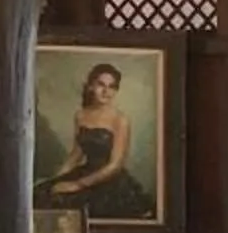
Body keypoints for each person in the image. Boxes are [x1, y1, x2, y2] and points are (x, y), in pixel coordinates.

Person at [39, 62, 150, 221]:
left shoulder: (120, 119)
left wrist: (78, 185)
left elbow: (115, 165)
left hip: (110, 181)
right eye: (101, 85)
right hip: (85, 171)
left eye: (112, 86)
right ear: (91, 86)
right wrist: (55, 180)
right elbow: (76, 155)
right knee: (44, 195)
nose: (106, 91)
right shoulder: (81, 115)